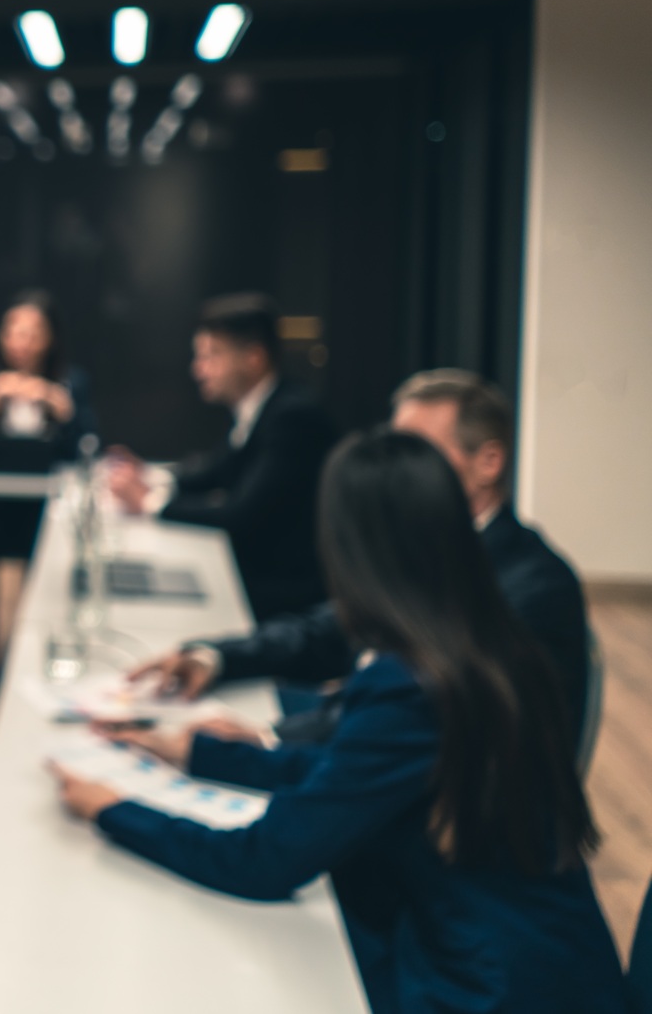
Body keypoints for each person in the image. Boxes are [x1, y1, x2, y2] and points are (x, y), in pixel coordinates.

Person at [53, 430, 630, 1014]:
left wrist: (111, 808)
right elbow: (361, 772)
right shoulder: (487, 643)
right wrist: (202, 754)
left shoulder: (410, 683)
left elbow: (265, 861)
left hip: (491, 991)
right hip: (555, 969)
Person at [131, 370, 592, 746]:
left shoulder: (535, 586)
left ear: (488, 463)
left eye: (414, 453)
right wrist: (216, 658)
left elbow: (427, 718)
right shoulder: (428, 546)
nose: (389, 470)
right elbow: (329, 630)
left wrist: (270, 738)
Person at [109, 292, 337, 619]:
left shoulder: (292, 417)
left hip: (284, 599)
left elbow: (241, 516)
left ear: (253, 358)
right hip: (255, 578)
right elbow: (214, 472)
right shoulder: (261, 408)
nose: (199, 370)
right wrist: (148, 476)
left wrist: (149, 503)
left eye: (211, 356)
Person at [0, 290, 95, 674]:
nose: (21, 342)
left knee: (51, 558)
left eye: (33, 333)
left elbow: (88, 451)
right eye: (13, 331)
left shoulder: (70, 383)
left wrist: (63, 409)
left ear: (51, 339)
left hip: (46, 505)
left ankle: (33, 645)